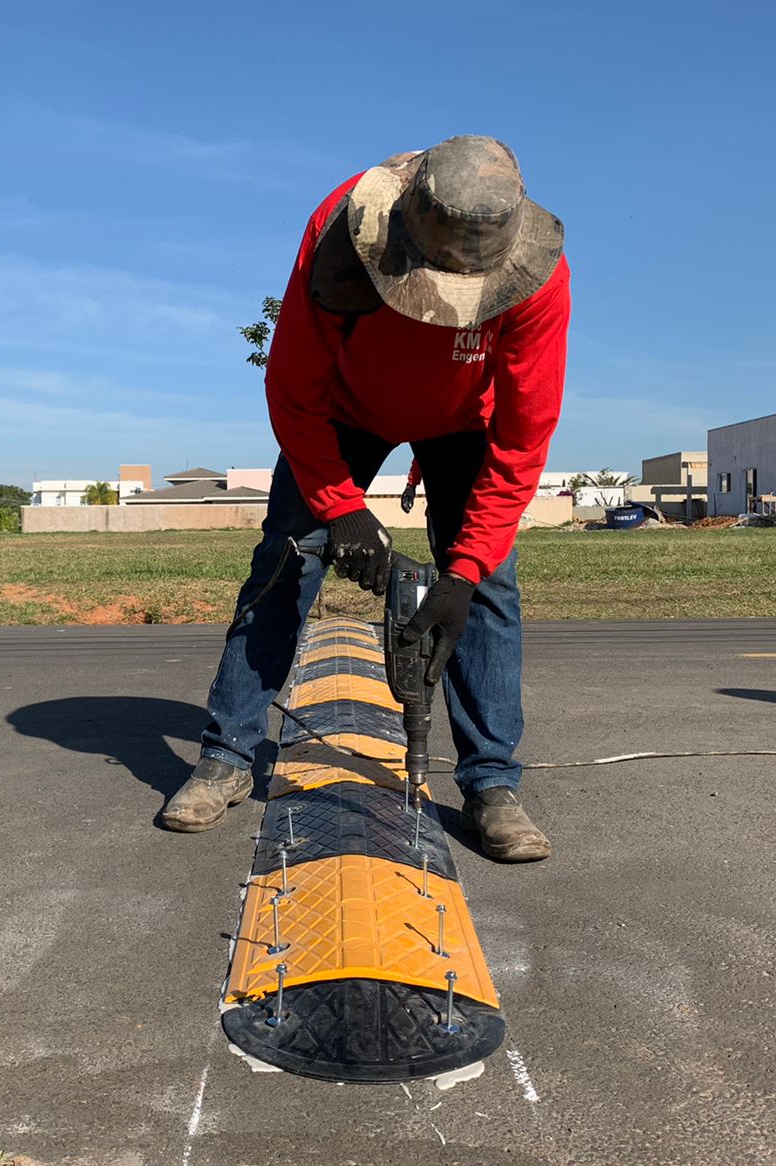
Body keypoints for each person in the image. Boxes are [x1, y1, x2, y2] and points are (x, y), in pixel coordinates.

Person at [161, 135, 569, 863]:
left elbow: (522, 437)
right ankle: (225, 757)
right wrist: (338, 504)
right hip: (345, 411)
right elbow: (291, 387)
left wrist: (465, 572)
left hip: (463, 422)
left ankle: (491, 785)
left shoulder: (538, 275)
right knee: (287, 562)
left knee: (491, 588)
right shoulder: (341, 229)